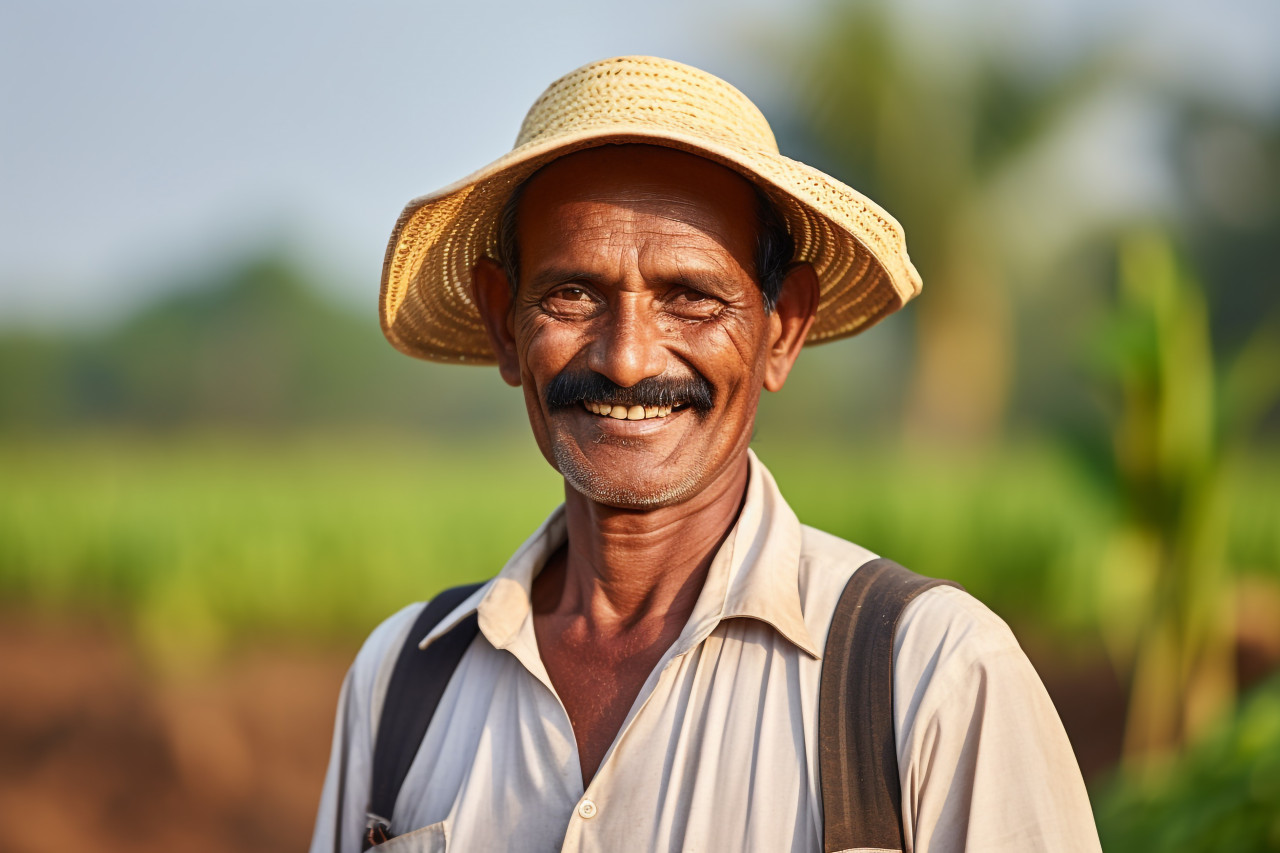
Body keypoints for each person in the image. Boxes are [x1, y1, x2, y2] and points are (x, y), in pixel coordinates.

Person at [310, 56, 1102, 852]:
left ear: (781, 329)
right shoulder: (403, 684)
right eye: (572, 294)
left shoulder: (931, 678)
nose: (626, 359)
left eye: (690, 297)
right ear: (502, 323)